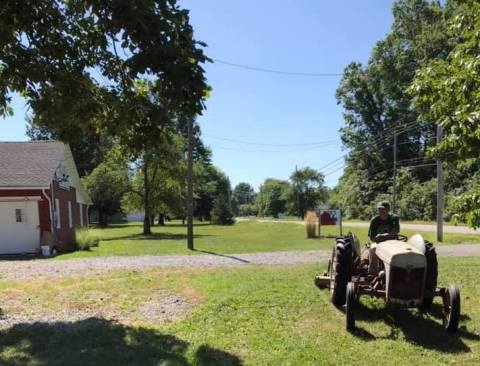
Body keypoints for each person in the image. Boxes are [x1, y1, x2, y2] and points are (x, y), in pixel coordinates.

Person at [364, 201, 400, 275]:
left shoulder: (394, 218)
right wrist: (385, 236)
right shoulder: (374, 220)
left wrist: (382, 236)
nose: (381, 211)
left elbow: (395, 231)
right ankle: (372, 272)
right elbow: (372, 237)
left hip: (393, 243)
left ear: (388, 210)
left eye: (383, 209)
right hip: (378, 243)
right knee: (373, 249)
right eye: (379, 209)